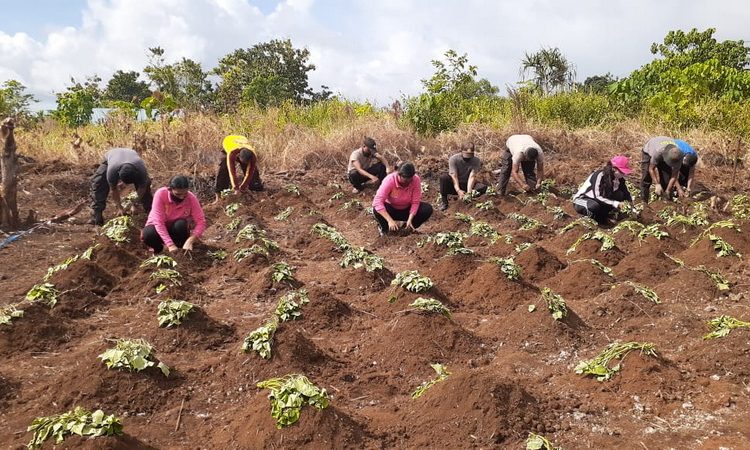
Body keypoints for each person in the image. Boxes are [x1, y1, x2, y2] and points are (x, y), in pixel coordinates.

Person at [143, 175, 206, 254]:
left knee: (181, 224)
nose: (182, 197)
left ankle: (181, 248)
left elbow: (201, 221)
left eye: (185, 194)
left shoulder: (191, 198)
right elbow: (159, 222)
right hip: (158, 229)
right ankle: (158, 250)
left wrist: (191, 240)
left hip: (176, 230)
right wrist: (170, 244)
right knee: (148, 234)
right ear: (170, 189)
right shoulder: (161, 194)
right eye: (178, 194)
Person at [90, 147, 152, 226]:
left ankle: (149, 211)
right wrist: (119, 208)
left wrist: (134, 204)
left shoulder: (141, 169)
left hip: (130, 155)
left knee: (146, 183)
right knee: (98, 183)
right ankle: (97, 213)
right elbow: (114, 189)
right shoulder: (112, 170)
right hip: (112, 155)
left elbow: (142, 187)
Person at [373, 163, 433, 236]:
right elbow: (377, 202)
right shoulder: (389, 180)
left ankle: (407, 227)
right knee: (376, 209)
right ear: (399, 174)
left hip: (406, 209)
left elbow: (415, 202)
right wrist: (389, 220)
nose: (407, 183)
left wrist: (410, 219)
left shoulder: (415, 179)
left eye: (410, 180)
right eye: (405, 181)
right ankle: (385, 230)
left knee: (427, 209)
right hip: (391, 210)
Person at [573, 155, 634, 225]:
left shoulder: (619, 180)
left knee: (619, 195)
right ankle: (594, 220)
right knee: (593, 207)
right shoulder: (599, 175)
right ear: (614, 169)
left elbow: (626, 194)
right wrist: (615, 203)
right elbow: (597, 196)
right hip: (584, 199)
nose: (623, 174)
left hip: (600, 202)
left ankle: (606, 216)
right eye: (622, 172)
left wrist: (632, 207)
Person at [437, 142, 487, 211]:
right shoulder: (454, 159)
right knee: (443, 178)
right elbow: (454, 176)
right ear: (461, 151)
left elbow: (472, 176)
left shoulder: (476, 161)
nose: (468, 158)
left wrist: (469, 192)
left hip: (466, 184)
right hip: (454, 185)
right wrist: (458, 190)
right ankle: (444, 202)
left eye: (470, 155)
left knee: (483, 188)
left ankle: (469, 199)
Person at [214, 135, 263, 202]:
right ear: (238, 156)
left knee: (254, 173)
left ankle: (257, 190)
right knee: (223, 169)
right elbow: (232, 172)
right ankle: (219, 195)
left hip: (241, 141)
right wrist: (236, 188)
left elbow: (250, 172)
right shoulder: (232, 153)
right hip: (229, 142)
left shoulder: (253, 155)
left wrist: (243, 187)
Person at [641, 136, 685, 202]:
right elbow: (651, 169)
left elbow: (674, 176)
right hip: (650, 150)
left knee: (666, 179)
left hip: (666, 149)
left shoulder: (678, 156)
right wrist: (657, 184)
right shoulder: (658, 152)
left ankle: (666, 201)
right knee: (646, 177)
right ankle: (644, 201)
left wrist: (668, 190)